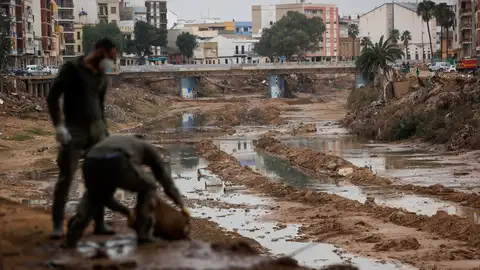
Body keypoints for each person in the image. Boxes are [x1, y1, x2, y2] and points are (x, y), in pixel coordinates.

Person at [47, 38, 118, 239]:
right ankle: (58, 225)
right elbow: (53, 97)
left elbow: (101, 106)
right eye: (111, 57)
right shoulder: (72, 69)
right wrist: (59, 125)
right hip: (74, 131)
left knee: (99, 179)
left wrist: (105, 131)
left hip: (97, 132)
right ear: (100, 52)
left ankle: (99, 224)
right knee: (66, 177)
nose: (111, 62)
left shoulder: (102, 76)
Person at [66, 135, 189, 247]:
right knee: (150, 185)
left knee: (94, 195)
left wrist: (127, 212)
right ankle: (143, 234)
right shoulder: (147, 147)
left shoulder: (123, 141)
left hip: (90, 161)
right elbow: (166, 180)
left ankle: (72, 235)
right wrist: (181, 204)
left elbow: (106, 198)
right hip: (117, 159)